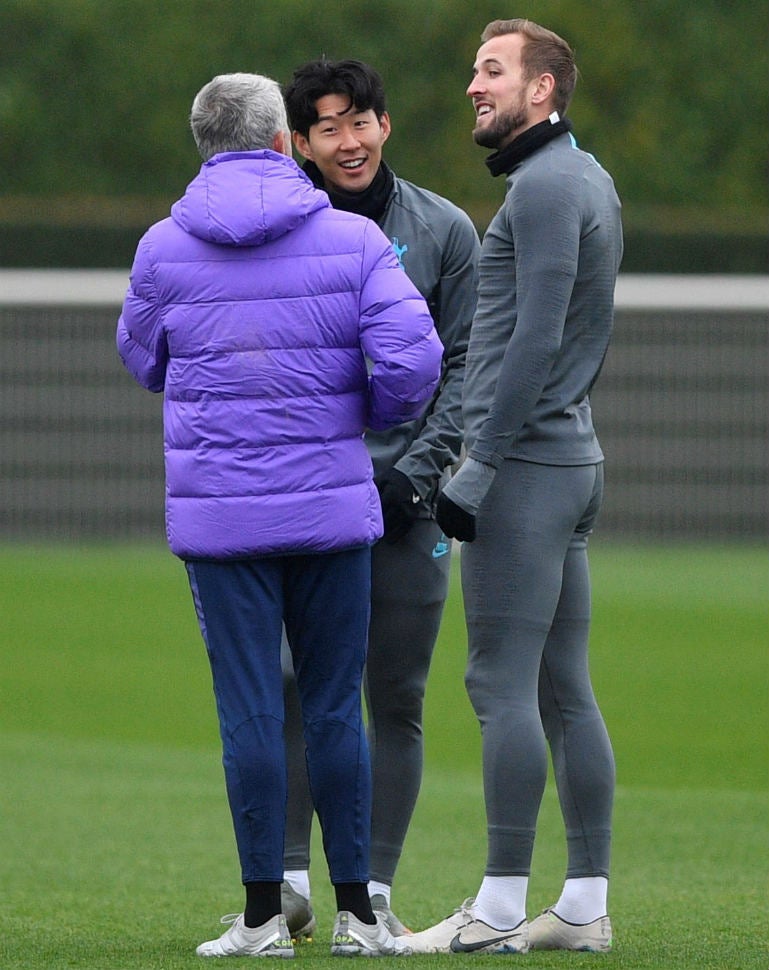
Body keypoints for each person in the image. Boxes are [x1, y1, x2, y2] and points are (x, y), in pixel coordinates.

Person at [116, 71, 443, 958]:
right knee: (337, 707)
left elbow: (143, 362)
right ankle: (358, 916)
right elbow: (415, 365)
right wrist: (359, 418)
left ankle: (263, 915)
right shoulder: (351, 240)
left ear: (202, 145)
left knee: (251, 712)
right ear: (279, 142)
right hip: (332, 510)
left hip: (220, 518)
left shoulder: (161, 247)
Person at [406, 19, 623, 956]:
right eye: (472, 69)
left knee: (499, 685)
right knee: (561, 689)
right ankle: (580, 906)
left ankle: (496, 908)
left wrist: (478, 465)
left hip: (524, 472)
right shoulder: (586, 176)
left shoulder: (540, 189)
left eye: (491, 70)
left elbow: (533, 339)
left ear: (542, 91)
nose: (471, 86)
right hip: (570, 463)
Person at [278, 57, 480, 941]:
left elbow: (471, 368)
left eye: (360, 121)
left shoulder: (443, 230)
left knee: (393, 698)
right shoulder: (279, 231)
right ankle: (284, 886)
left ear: (385, 124)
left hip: (411, 508)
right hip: (306, 504)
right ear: (300, 144)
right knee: (291, 689)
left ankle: (378, 899)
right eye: (328, 127)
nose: (349, 141)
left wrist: (416, 474)